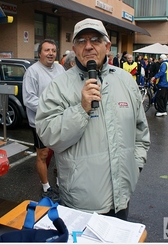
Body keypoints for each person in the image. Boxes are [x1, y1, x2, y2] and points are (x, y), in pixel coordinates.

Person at [35, 18, 150, 220]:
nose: (88, 46)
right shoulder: (58, 86)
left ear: (107, 46)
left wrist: (135, 166)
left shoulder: (125, 81)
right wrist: (81, 109)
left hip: (122, 196)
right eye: (82, 41)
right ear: (74, 48)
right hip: (81, 202)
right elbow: (48, 135)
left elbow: (141, 131)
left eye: (95, 40)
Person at [22, 39, 65, 202]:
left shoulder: (60, 69)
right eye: (47, 50)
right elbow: (29, 99)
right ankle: (46, 187)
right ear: (39, 53)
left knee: (61, 152)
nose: (51, 53)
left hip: (60, 119)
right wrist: (51, 108)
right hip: (41, 121)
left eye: (53, 50)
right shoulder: (32, 72)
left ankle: (61, 184)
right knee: (43, 153)